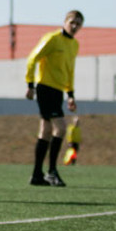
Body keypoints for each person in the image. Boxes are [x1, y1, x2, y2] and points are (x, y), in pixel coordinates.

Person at [25, 10, 84, 187]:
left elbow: (70, 70)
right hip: (45, 88)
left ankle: (37, 175)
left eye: (78, 24)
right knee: (61, 128)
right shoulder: (52, 38)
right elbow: (32, 58)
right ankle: (52, 172)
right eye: (72, 22)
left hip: (58, 91)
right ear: (65, 22)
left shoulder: (74, 45)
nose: (74, 26)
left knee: (45, 131)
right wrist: (30, 84)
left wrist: (70, 94)